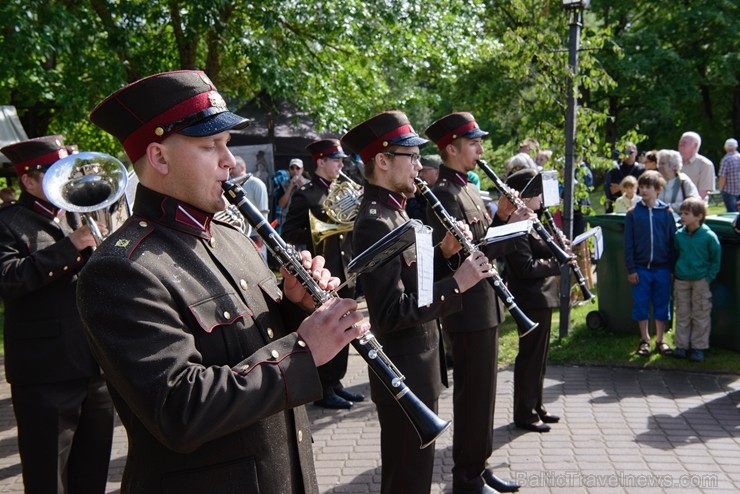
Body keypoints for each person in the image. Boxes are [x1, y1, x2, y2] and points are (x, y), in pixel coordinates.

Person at [78, 69, 368, 493]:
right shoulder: (121, 269)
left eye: (226, 144)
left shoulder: (232, 236)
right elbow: (179, 408)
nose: (230, 161)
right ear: (159, 158)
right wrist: (304, 350)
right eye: (210, 145)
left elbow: (254, 342)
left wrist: (296, 305)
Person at [343, 110, 494, 494]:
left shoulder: (396, 211)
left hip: (419, 363)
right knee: (407, 480)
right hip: (404, 367)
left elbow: (415, 284)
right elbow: (391, 313)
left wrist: (445, 253)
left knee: (415, 475)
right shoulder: (376, 222)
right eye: (410, 157)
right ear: (381, 161)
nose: (419, 165)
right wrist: (458, 283)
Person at [0, 135, 114, 493]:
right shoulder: (8, 222)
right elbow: (8, 281)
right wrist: (71, 247)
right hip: (44, 371)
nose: (65, 180)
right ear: (28, 180)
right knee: (48, 476)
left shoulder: (79, 213)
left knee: (92, 472)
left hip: (94, 365)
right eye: (53, 172)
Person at [424, 112, 521, 494]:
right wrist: (502, 218)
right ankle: (466, 477)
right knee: (473, 395)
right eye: (474, 143)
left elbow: (483, 247)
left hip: (484, 305)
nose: (481, 149)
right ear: (451, 148)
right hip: (467, 309)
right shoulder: (444, 193)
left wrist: (507, 219)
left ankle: (479, 467)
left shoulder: (465, 187)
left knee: (485, 394)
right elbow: (454, 258)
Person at [282, 138, 363, 410]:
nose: (341, 164)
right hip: (323, 272)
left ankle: (337, 382)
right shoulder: (306, 194)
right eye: (336, 160)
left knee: (345, 328)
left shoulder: (346, 190)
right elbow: (288, 233)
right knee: (327, 328)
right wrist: (324, 227)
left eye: (341, 159)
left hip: (345, 269)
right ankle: (323, 389)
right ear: (320, 162)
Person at [502, 168, 563, 434]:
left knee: (541, 356)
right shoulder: (517, 225)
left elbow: (546, 249)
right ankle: (524, 413)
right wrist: (557, 263)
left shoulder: (537, 219)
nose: (541, 198)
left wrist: (561, 246)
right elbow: (525, 266)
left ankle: (537, 405)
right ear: (524, 196)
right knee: (530, 356)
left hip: (544, 296)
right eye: (536, 193)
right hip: (530, 297)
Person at [624, 170, 677, 358]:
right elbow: (628, 244)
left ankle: (661, 339)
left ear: (658, 190)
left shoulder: (666, 212)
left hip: (662, 268)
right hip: (641, 268)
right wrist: (631, 269)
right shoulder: (632, 214)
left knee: (663, 304)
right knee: (641, 304)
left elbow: (672, 243)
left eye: (649, 187)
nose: (644, 191)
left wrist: (671, 268)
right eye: (642, 187)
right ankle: (645, 339)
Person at [672, 197, 721, 363]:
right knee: (682, 312)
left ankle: (698, 347)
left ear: (699, 216)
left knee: (701, 313)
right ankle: (681, 345)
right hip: (682, 279)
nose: (683, 217)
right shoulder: (679, 235)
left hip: (701, 280)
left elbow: (716, 259)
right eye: (681, 213)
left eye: (687, 214)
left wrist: (708, 278)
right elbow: (676, 253)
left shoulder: (708, 236)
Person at [656, 149, 699, 218]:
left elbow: (693, 202)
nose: (659, 166)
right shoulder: (656, 181)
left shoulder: (684, 181)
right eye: (659, 163)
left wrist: (669, 207)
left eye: (663, 163)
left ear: (674, 166)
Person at [604, 142, 644, 213]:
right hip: (618, 205)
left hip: (636, 205)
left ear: (636, 152)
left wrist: (620, 187)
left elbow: (643, 188)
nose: (628, 155)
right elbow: (611, 190)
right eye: (626, 152)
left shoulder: (641, 170)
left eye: (631, 152)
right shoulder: (615, 169)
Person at [678, 131, 715, 200]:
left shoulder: (705, 165)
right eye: (680, 142)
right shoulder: (674, 162)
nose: (681, 144)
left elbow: (702, 194)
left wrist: (685, 206)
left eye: (684, 142)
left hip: (695, 207)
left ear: (695, 145)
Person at [405, 153, 441, 222]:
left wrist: (410, 199)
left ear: (438, 171)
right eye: (419, 171)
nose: (419, 175)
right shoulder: (421, 191)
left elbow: (422, 221)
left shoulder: (442, 192)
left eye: (423, 171)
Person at [275, 158, 308, 231]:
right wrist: (290, 188)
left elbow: (309, 201)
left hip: (302, 219)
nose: (295, 171)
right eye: (292, 168)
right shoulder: (283, 184)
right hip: (287, 220)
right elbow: (281, 204)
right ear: (289, 170)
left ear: (302, 170)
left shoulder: (308, 184)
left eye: (298, 168)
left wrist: (302, 187)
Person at [718, 138, 740, 212]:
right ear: (736, 147)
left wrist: (720, 189)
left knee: (732, 213)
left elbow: (722, 176)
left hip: (729, 191)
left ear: (725, 148)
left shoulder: (726, 159)